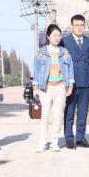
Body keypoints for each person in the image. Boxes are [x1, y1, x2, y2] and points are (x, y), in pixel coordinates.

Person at [33, 24, 75, 152]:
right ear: (48, 36)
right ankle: (42, 142)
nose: (57, 38)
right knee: (44, 115)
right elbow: (36, 69)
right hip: (45, 87)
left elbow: (70, 69)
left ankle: (54, 142)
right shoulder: (42, 52)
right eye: (54, 35)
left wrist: (71, 85)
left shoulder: (64, 52)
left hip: (61, 87)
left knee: (58, 115)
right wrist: (35, 87)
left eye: (59, 35)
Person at [61, 14, 89, 149]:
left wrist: (86, 68)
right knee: (69, 112)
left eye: (82, 25)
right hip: (70, 84)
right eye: (77, 25)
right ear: (72, 26)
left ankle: (81, 138)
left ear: (84, 26)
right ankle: (69, 138)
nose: (79, 28)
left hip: (86, 83)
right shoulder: (64, 42)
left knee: (83, 112)